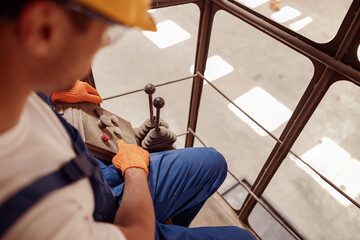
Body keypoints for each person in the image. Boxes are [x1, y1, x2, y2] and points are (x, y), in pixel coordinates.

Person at [0, 0, 257, 239]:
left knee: (212, 163)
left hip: (97, 180)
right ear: (44, 30)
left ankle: (164, 222)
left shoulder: (19, 88)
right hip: (111, 220)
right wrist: (135, 170)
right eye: (104, 33)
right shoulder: (33, 218)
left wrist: (52, 88)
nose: (102, 43)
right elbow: (137, 234)